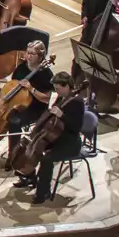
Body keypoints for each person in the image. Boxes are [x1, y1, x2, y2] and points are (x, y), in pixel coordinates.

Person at [0, 40, 53, 147]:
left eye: (32, 54)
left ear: (40, 56)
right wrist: (2, 97)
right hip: (14, 102)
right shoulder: (21, 68)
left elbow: (46, 99)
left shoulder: (46, 74)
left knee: (14, 122)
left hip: (34, 107)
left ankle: (13, 152)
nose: (28, 56)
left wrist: (31, 89)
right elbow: (12, 85)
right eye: (28, 52)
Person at [23, 72, 86, 203]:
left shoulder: (77, 102)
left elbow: (76, 128)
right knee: (35, 150)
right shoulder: (60, 98)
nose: (56, 91)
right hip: (56, 137)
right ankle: (31, 178)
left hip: (70, 143)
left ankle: (43, 192)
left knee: (46, 159)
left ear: (67, 86)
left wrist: (62, 115)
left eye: (58, 88)